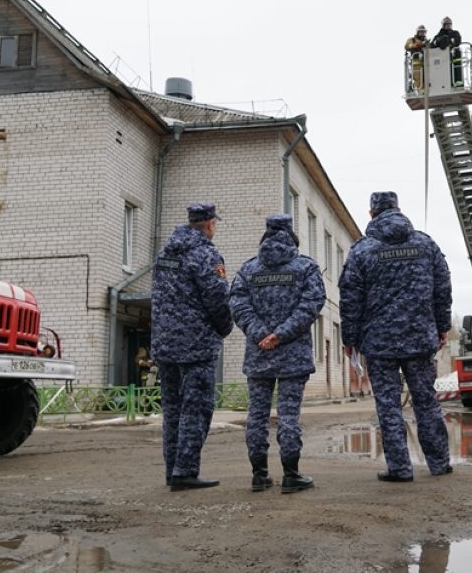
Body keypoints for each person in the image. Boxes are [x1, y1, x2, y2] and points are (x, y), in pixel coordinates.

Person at [339, 191, 453, 482]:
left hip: (379, 344)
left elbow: (351, 298)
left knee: (388, 404)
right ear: (399, 209)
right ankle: (439, 463)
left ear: (371, 214)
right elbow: (442, 288)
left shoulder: (362, 250)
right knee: (426, 401)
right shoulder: (425, 244)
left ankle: (400, 468)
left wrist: (349, 339)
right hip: (419, 339)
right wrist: (442, 326)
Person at [229, 214, 326, 494]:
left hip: (259, 354)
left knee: (257, 416)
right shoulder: (306, 267)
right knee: (288, 415)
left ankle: (259, 475)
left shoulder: (248, 270)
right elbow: (311, 306)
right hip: (292, 356)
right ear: (291, 233)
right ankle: (291, 475)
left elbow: (237, 305)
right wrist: (281, 334)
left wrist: (261, 333)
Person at [151, 201, 233, 491]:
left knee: (172, 408)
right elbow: (218, 299)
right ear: (210, 224)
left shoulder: (164, 255)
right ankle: (185, 471)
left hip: (165, 344)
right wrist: (225, 328)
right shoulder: (206, 255)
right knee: (196, 408)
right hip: (196, 346)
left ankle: (172, 470)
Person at [430, 16, 463, 87]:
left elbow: (458, 41)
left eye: (449, 24)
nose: (448, 26)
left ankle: (458, 82)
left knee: (456, 67)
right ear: (443, 25)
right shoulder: (438, 35)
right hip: (442, 60)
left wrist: (450, 42)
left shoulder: (455, 33)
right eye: (446, 24)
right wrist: (440, 41)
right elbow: (432, 45)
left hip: (454, 56)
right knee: (446, 71)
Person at [404, 25, 429, 94]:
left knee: (426, 77)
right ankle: (420, 90)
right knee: (417, 77)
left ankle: (425, 90)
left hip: (426, 62)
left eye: (424, 32)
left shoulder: (426, 41)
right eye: (421, 32)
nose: (422, 34)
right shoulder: (412, 40)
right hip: (416, 62)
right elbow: (407, 46)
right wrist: (418, 45)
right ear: (417, 32)